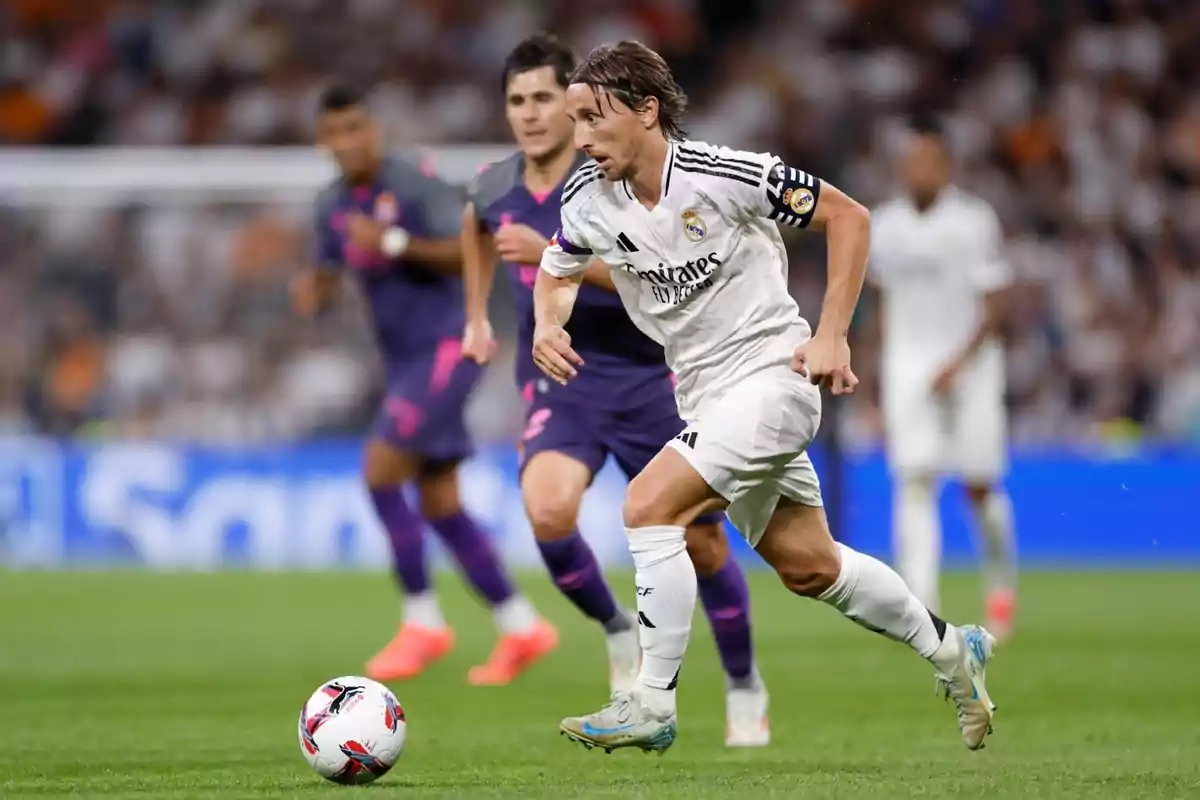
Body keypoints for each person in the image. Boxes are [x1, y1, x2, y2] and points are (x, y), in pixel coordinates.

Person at [533, 41, 998, 755]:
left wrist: (832, 333)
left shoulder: (722, 174)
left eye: (594, 118)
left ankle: (650, 702)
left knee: (649, 506)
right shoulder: (586, 200)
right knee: (811, 566)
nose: (582, 137)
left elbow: (850, 217)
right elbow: (557, 269)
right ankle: (950, 648)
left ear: (647, 110)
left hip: (774, 378)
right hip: (705, 397)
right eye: (576, 121)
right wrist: (545, 324)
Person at [461, 34, 769, 747]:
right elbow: (476, 229)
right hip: (563, 381)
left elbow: (649, 274)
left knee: (703, 543)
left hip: (648, 377)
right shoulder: (492, 183)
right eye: (517, 101)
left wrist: (550, 259)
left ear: (578, 107)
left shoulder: (607, 174)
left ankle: (744, 681)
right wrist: (478, 313)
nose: (532, 114)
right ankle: (616, 628)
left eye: (545, 98)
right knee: (546, 511)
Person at [293, 83, 556, 686]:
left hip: (451, 343)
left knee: (381, 470)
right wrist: (316, 289)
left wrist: (392, 241)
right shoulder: (330, 205)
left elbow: (467, 248)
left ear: (373, 130)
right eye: (336, 132)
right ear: (323, 141)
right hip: (405, 359)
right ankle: (522, 626)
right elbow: (330, 267)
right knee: (440, 503)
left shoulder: (411, 182)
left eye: (357, 127)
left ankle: (423, 623)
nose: (349, 141)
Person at [868, 116, 1018, 639]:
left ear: (945, 166)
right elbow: (882, 301)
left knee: (978, 485)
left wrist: (960, 360)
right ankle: (921, 609)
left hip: (972, 367)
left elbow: (997, 302)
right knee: (914, 479)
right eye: (909, 163)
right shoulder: (885, 225)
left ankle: (1001, 584)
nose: (917, 171)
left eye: (927, 161)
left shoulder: (974, 221)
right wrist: (875, 368)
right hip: (908, 366)